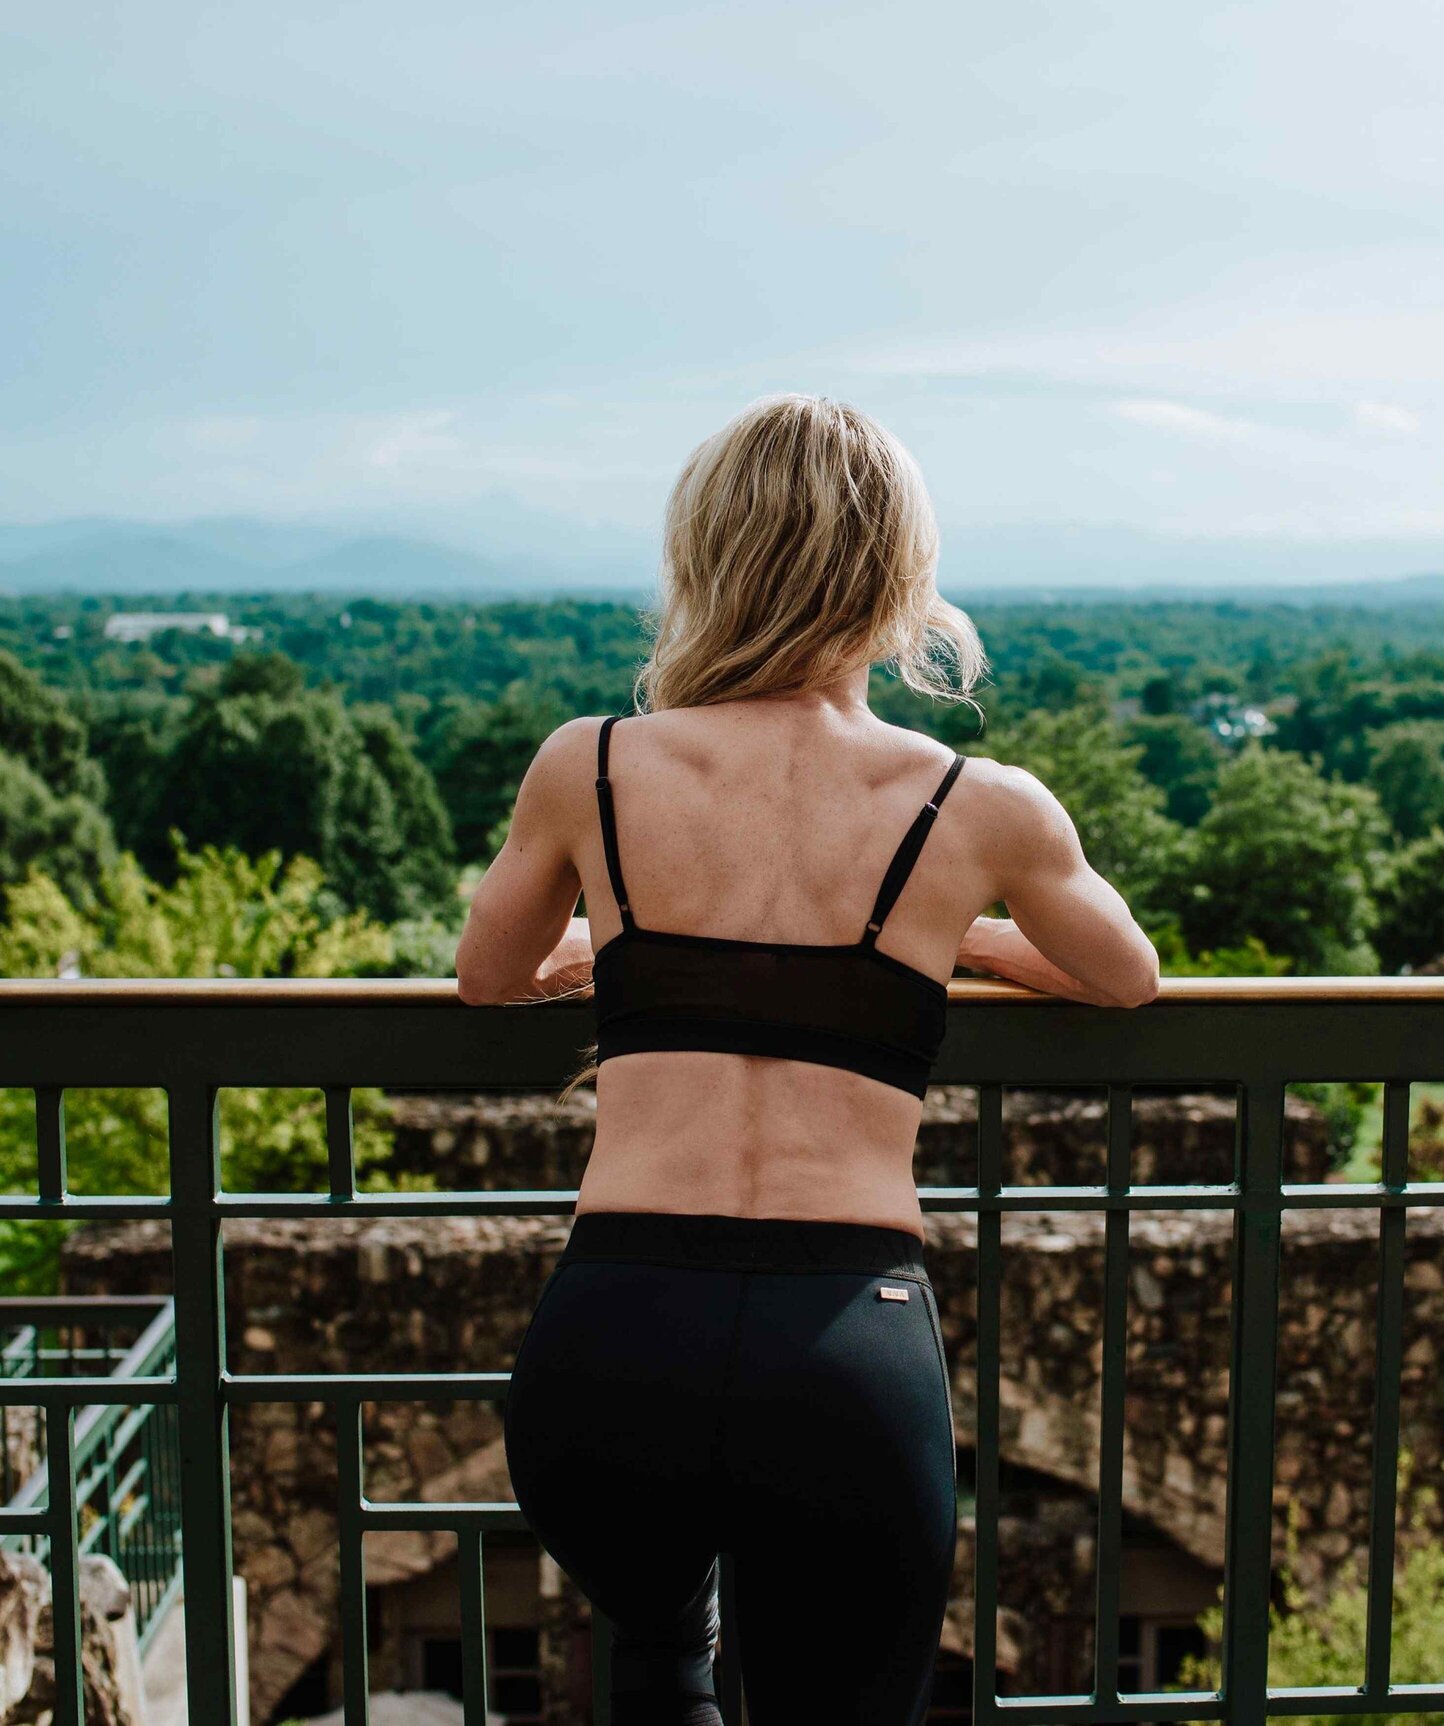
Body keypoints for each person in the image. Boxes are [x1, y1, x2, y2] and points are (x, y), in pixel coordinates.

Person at [456, 394, 1159, 1724]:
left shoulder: (588, 764)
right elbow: (1127, 977)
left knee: (662, 1661)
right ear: (901, 579)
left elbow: (489, 974)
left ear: (706, 564)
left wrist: (623, 944)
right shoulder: (977, 801)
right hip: (840, 1351)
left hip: (611, 1345)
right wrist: (953, 937)